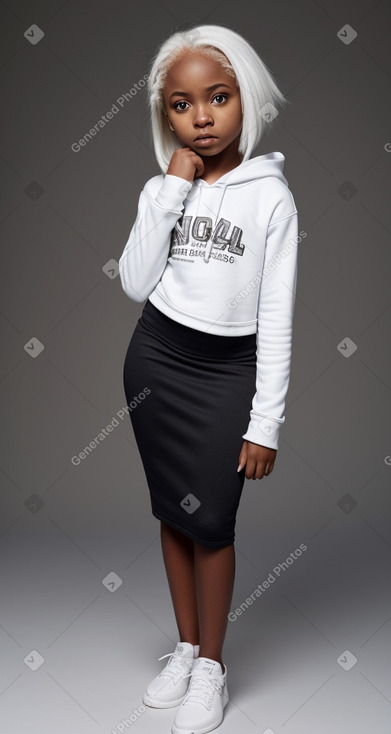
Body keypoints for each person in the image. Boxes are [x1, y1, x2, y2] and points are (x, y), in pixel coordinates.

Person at [119, 23, 299, 734]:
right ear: (164, 113)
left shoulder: (271, 198)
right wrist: (168, 190)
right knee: (172, 509)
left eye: (217, 98)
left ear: (244, 100)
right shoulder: (164, 187)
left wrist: (265, 423)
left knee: (213, 524)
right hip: (156, 360)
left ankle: (212, 670)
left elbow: (278, 320)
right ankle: (185, 646)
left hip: (227, 373)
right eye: (181, 104)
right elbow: (135, 283)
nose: (200, 118)